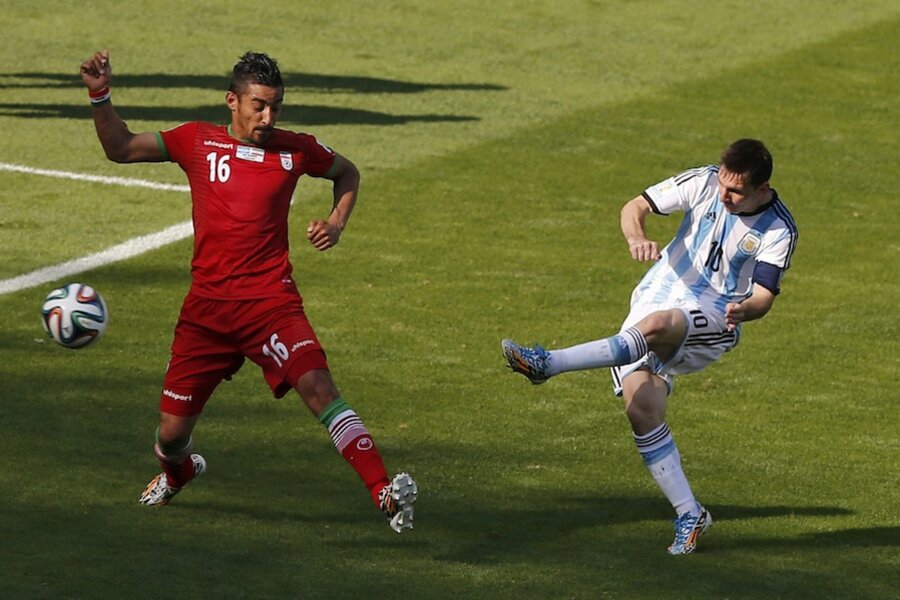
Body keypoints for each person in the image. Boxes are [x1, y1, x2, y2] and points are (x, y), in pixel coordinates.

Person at [79, 49, 417, 533]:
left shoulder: (295, 150)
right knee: (172, 435)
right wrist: (100, 94)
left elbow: (348, 172)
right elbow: (121, 147)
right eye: (259, 105)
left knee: (319, 388)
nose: (268, 116)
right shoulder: (196, 141)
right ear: (232, 101)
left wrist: (337, 224)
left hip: (270, 305)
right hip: (206, 314)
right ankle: (179, 471)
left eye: (276, 106)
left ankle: (384, 491)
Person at [502, 139, 797, 555]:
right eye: (723, 185)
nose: (724, 196)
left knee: (656, 327)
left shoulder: (778, 228)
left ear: (762, 189)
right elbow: (633, 207)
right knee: (642, 409)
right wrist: (635, 237)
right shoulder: (702, 181)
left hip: (714, 314)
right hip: (655, 293)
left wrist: (745, 309)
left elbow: (764, 297)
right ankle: (690, 513)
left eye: (736, 192)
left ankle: (546, 364)